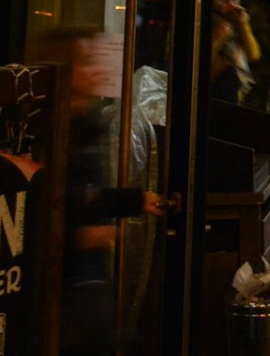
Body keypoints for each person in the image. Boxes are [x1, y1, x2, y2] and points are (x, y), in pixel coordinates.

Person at [26, 27, 166, 356]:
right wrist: (80, 235)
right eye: (90, 61)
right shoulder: (48, 134)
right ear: (65, 69)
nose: (102, 69)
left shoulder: (87, 123)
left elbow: (89, 194)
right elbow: (46, 205)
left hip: (88, 271)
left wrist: (136, 201)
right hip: (68, 277)